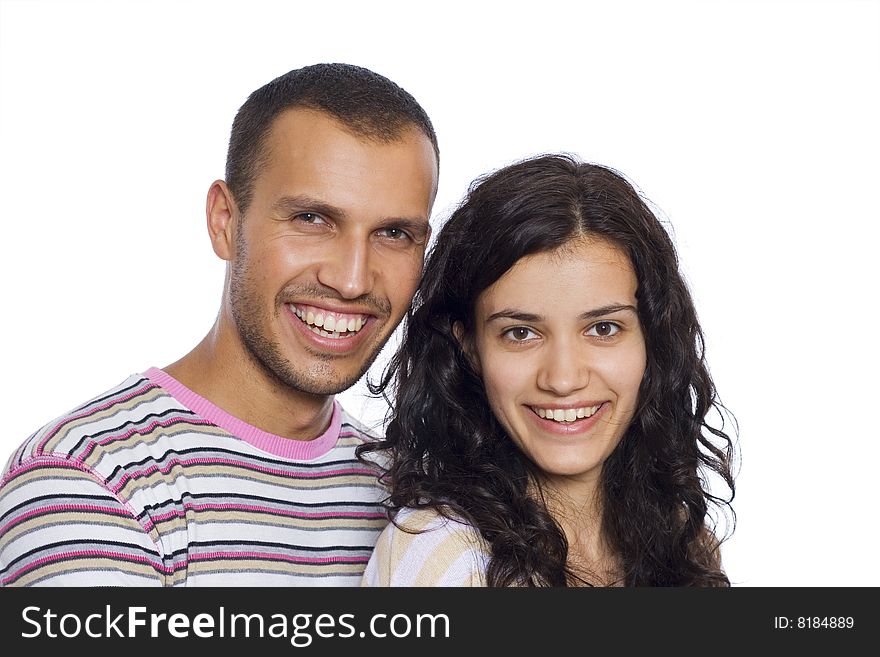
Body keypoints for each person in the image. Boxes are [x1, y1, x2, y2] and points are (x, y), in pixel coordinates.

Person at [0, 63, 439, 586]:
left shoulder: (411, 499)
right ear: (224, 222)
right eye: (311, 219)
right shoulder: (85, 481)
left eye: (392, 233)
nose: (350, 279)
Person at [361, 154, 735, 587]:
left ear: (651, 339)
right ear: (469, 348)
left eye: (603, 328)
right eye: (521, 333)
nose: (562, 379)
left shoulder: (684, 538)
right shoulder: (440, 553)